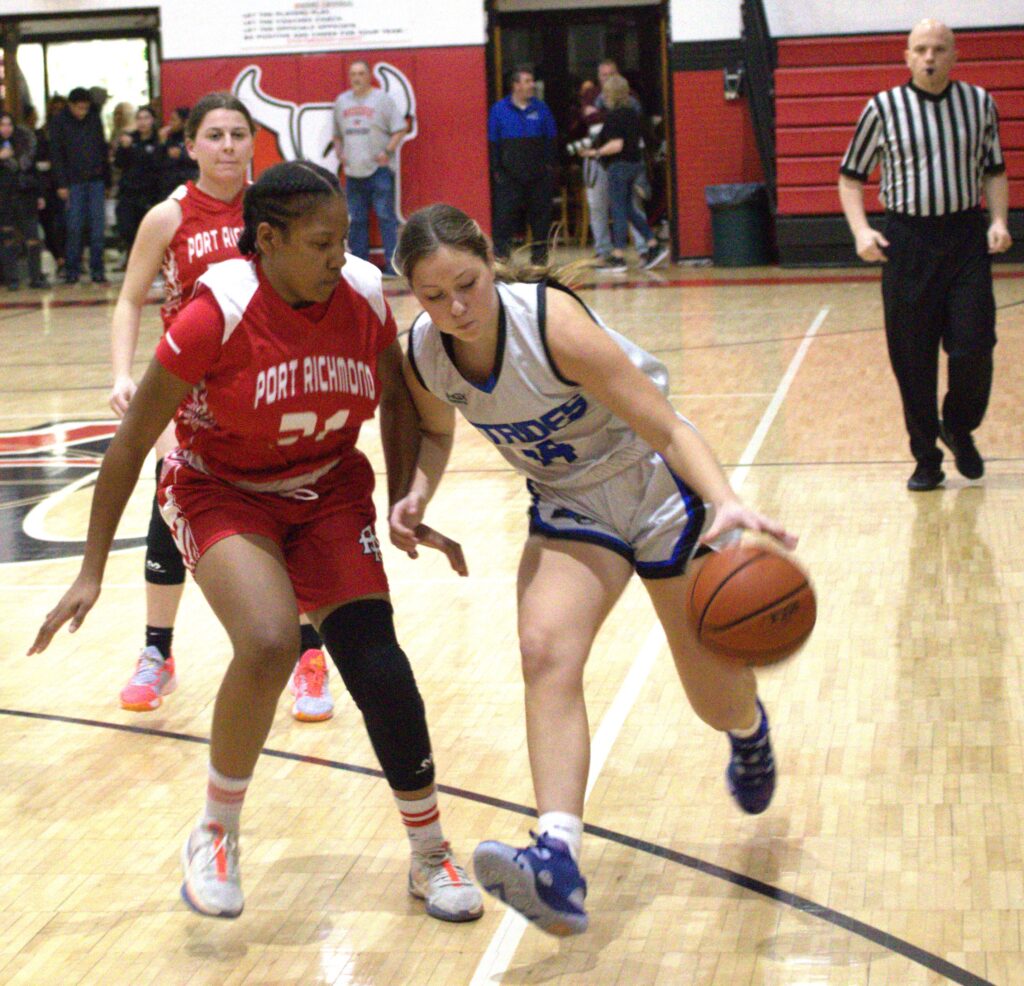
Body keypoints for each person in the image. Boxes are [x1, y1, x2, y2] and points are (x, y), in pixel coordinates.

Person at [31, 161, 484, 925]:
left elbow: (399, 402)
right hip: (219, 487)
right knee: (272, 640)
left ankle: (431, 852)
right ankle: (216, 831)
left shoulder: (364, 295)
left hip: (330, 485)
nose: (339, 255)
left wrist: (408, 494)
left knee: (377, 660)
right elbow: (133, 439)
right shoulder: (216, 315)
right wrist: (88, 570)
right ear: (266, 240)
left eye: (344, 238)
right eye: (320, 242)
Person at [390, 204, 796, 936]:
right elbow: (435, 430)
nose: (455, 308)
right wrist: (416, 494)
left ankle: (748, 730)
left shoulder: (553, 326)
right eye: (432, 296)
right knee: (544, 650)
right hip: (571, 505)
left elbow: (668, 427)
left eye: (467, 285)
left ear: (489, 261)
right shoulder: (424, 351)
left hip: (652, 488)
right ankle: (558, 859)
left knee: (714, 700)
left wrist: (727, 501)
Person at [107, 92, 334, 723]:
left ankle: (308, 656)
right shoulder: (167, 216)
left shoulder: (281, 206)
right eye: (215, 135)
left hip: (272, 382)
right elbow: (129, 299)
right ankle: (158, 654)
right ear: (192, 146)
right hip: (188, 387)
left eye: (239, 134)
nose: (229, 146)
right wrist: (124, 374)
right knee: (169, 502)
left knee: (292, 505)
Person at [838, 18, 1012, 492]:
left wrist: (998, 220)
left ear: (955, 55)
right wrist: (860, 231)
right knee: (912, 359)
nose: (930, 57)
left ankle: (957, 424)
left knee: (975, 345)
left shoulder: (979, 104)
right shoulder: (882, 108)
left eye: (938, 49)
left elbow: (995, 171)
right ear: (907, 56)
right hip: (907, 241)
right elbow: (851, 177)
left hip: (964, 238)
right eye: (920, 49)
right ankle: (926, 457)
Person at [581, 75, 667, 273]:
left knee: (618, 210)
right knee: (628, 209)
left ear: (610, 94)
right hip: (634, 164)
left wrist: (595, 152)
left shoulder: (614, 116)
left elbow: (616, 145)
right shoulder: (633, 113)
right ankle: (653, 245)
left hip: (619, 167)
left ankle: (618, 257)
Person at [331, 60, 409, 277]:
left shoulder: (382, 100)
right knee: (356, 220)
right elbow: (336, 134)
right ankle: (360, 269)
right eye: (353, 73)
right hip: (353, 171)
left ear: (369, 76)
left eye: (361, 73)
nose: (357, 77)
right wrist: (340, 152)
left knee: (386, 217)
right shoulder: (341, 102)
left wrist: (387, 151)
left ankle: (392, 267)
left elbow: (400, 128)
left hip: (379, 170)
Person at [579, 59, 648, 264]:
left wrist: (600, 115)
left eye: (611, 74)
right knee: (598, 203)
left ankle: (643, 248)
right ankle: (604, 250)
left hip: (621, 157)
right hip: (599, 155)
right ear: (598, 77)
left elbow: (624, 119)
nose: (607, 79)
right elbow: (587, 119)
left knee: (630, 203)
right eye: (603, 75)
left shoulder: (630, 96)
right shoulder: (590, 94)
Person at [487, 66, 557, 264]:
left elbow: (551, 140)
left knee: (540, 219)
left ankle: (539, 259)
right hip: (509, 176)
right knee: (504, 218)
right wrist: (497, 170)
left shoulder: (542, 108)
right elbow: (493, 142)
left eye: (531, 81)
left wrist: (549, 168)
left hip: (538, 175)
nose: (531, 85)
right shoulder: (499, 110)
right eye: (526, 81)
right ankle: (502, 258)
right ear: (515, 85)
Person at [49, 86, 110, 285]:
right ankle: (72, 270)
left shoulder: (94, 119)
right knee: (74, 227)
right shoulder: (59, 122)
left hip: (96, 180)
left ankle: (97, 270)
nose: (82, 112)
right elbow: (56, 154)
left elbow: (102, 149)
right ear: (71, 105)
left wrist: (107, 180)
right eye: (79, 108)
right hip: (72, 182)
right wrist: (61, 183)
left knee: (97, 227)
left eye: (86, 108)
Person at [0, 111, 48, 289]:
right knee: (7, 238)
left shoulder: (25, 144)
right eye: (2, 124)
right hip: (4, 198)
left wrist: (40, 195)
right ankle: (12, 278)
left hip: (25, 195)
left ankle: (36, 276)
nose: (6, 128)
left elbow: (33, 171)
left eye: (9, 124)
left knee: (32, 237)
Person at [113, 105, 162, 254]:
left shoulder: (158, 141)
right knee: (127, 229)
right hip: (129, 193)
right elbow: (118, 163)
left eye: (146, 118)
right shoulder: (129, 139)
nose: (142, 122)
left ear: (153, 120)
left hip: (150, 194)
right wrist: (124, 148)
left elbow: (159, 165)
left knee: (148, 232)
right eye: (139, 118)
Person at [29, 104, 65, 279]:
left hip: (59, 185)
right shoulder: (39, 135)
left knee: (62, 224)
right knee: (48, 225)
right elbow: (36, 162)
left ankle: (65, 259)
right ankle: (59, 259)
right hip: (43, 187)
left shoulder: (63, 133)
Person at [158, 106, 199, 198]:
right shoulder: (169, 138)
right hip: (169, 189)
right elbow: (158, 162)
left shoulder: (194, 138)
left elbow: (200, 160)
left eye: (174, 120)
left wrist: (181, 154)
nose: (170, 123)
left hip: (188, 186)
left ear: (184, 122)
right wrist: (161, 143)